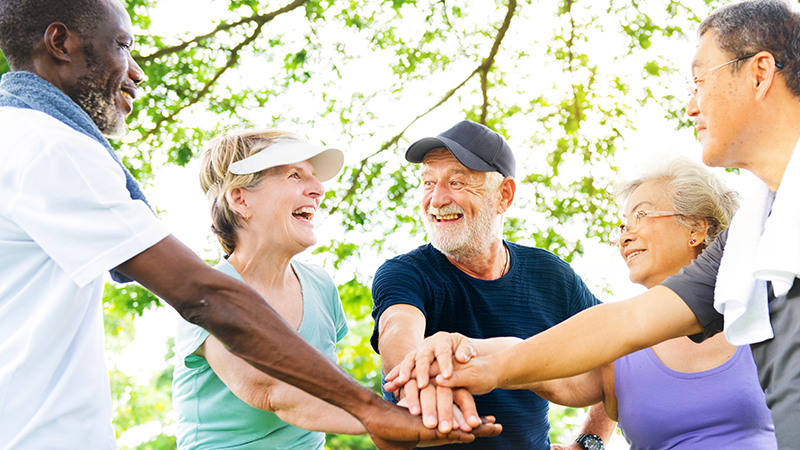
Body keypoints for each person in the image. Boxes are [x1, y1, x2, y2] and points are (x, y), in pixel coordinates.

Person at [0, 1, 499, 448]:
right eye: (123, 46)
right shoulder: (46, 145)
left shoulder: (28, 142)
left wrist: (404, 415)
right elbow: (210, 304)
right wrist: (375, 413)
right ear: (60, 42)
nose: (136, 71)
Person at [388, 1, 800, 448]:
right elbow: (624, 325)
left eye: (700, 81)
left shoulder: (549, 273)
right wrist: (473, 358)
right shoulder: (745, 246)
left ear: (759, 74)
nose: (690, 106)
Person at [371, 120, 614, 449]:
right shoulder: (406, 273)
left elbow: (621, 352)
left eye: (456, 182)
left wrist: (590, 442)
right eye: (428, 182)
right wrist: (411, 375)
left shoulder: (551, 275)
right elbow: (398, 330)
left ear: (504, 195)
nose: (437, 199)